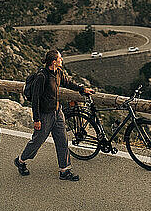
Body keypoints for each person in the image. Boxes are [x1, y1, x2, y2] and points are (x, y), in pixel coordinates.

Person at [14, 49, 94, 181]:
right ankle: (21, 160)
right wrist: (37, 119)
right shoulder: (42, 76)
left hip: (57, 112)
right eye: (60, 58)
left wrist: (82, 89)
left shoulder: (58, 72)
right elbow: (36, 99)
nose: (62, 60)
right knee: (37, 141)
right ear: (53, 62)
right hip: (45, 115)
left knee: (62, 140)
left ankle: (64, 171)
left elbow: (68, 83)